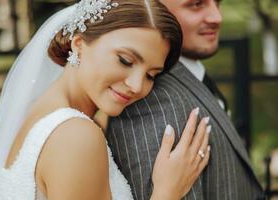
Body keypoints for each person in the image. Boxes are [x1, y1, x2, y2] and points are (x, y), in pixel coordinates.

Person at [0, 0, 212, 199]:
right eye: (125, 61)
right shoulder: (76, 135)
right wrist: (167, 193)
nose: (137, 85)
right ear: (79, 45)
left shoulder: (42, 111)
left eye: (151, 75)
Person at [107, 0, 266, 199]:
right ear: (156, 8)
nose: (217, 17)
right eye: (196, 4)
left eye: (218, 3)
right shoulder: (154, 98)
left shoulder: (191, 76)